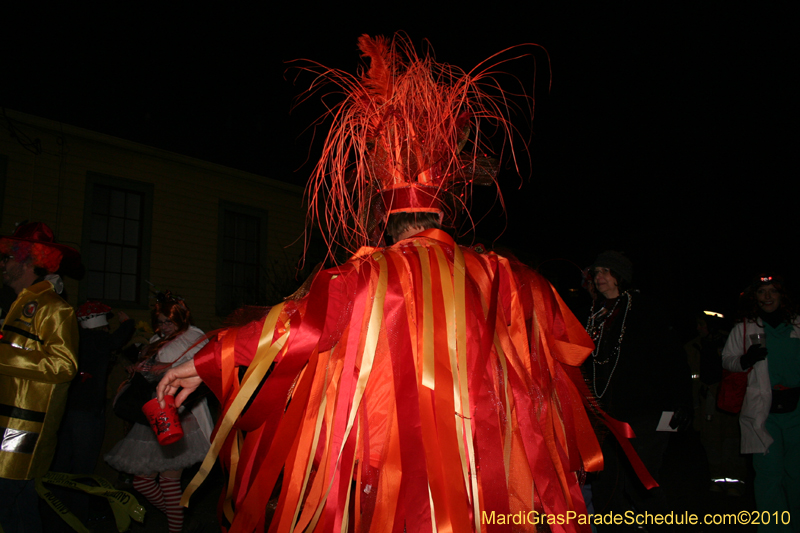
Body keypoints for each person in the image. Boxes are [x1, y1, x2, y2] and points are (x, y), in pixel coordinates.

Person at [158, 34, 607, 533]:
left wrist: (204, 362)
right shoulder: (513, 279)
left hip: (390, 471)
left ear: (385, 217)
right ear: (446, 205)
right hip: (488, 471)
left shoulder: (363, 275)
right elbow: (564, 353)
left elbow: (296, 328)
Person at [582, 251, 691, 531]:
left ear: (621, 276)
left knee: (640, 482)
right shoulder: (596, 313)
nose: (600, 277)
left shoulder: (644, 308)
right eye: (597, 272)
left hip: (643, 414)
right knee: (605, 482)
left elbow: (672, 357)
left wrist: (680, 403)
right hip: (605, 413)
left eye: (607, 271)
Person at [105, 291, 212, 533]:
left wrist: (168, 367)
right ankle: (181, 519)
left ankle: (177, 525)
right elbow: (153, 372)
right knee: (143, 482)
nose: (164, 326)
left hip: (181, 415)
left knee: (168, 480)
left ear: (181, 318)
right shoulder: (156, 339)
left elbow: (204, 367)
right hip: (154, 414)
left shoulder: (194, 338)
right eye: (160, 321)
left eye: (169, 321)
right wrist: (140, 369)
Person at [0, 221, 80, 533]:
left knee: (7, 502)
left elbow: (64, 365)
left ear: (26, 259)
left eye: (7, 257)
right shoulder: (18, 306)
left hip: (24, 429)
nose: (2, 264)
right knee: (20, 512)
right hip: (7, 422)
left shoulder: (55, 308)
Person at [45, 301, 136, 529]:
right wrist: (128, 323)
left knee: (63, 463)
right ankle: (77, 516)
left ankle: (55, 513)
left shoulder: (75, 339)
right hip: (86, 414)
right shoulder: (96, 340)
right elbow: (114, 340)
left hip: (68, 411)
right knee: (83, 468)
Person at [721, 274, 800, 531]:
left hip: (796, 411)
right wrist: (745, 360)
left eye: (772, 291)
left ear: (781, 295)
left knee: (796, 476)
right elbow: (728, 360)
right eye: (761, 292)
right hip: (762, 414)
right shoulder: (745, 328)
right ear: (754, 298)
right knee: (768, 476)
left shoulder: (797, 325)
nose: (767, 297)